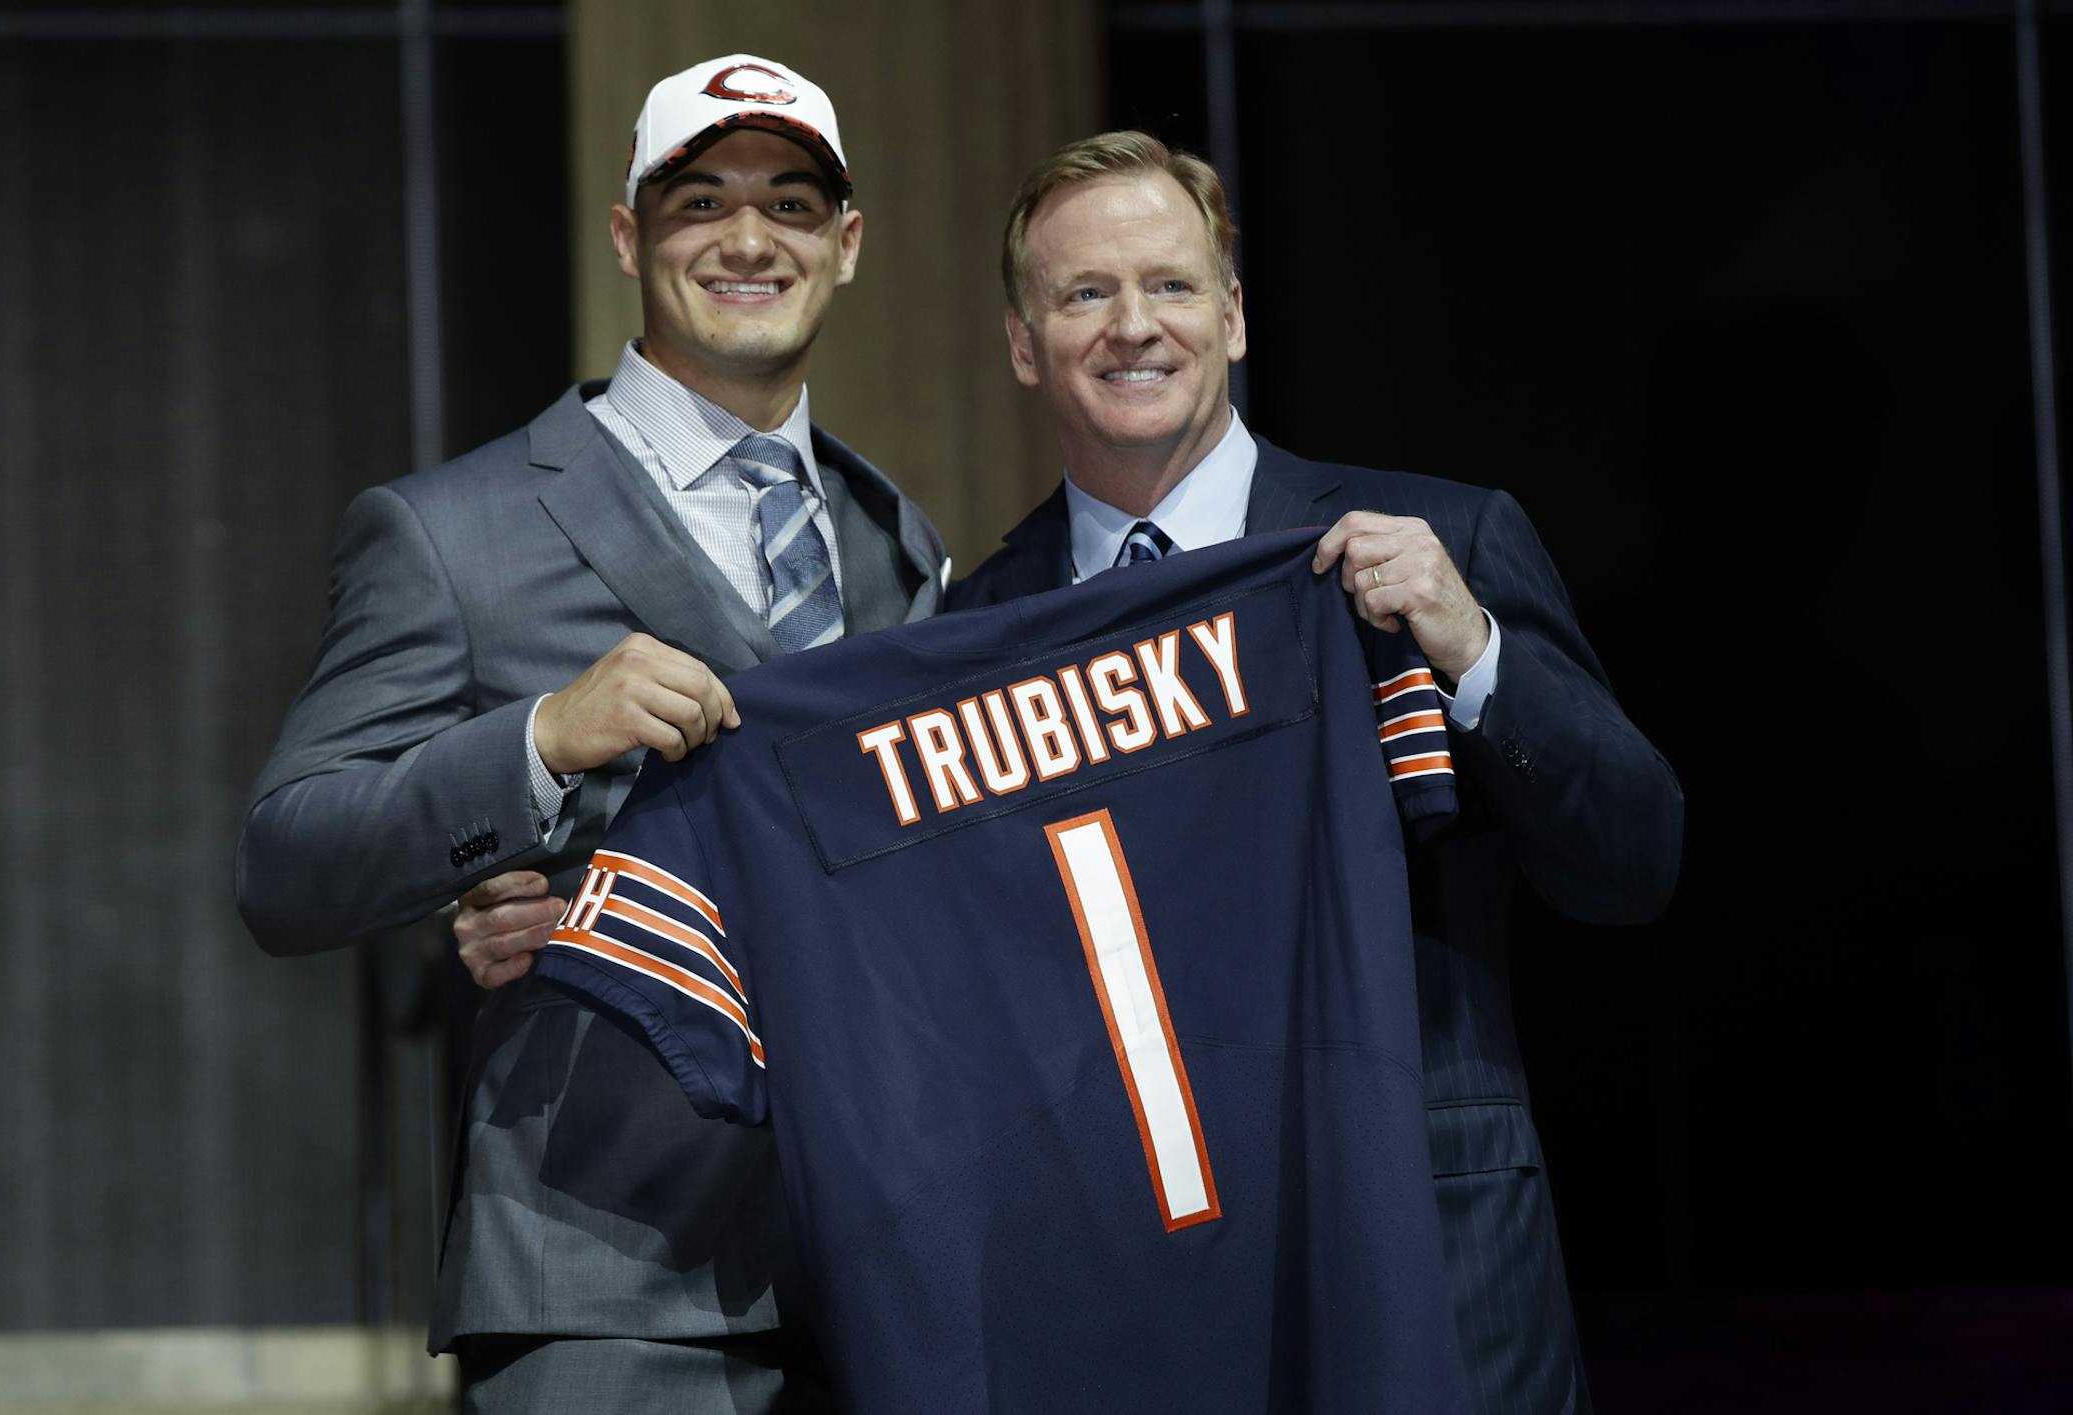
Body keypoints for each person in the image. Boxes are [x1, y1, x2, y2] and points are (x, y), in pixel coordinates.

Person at [236, 53, 944, 1413]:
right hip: (603, 1283)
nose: (749, 237)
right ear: (627, 234)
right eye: (698, 202)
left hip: (878, 1271)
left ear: (846, 247)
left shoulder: (893, 539)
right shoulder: (452, 530)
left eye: (793, 204)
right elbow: (285, 860)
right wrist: (537, 743)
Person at [944, 131, 1682, 1414]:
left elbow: (1636, 857)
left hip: (1435, 1263)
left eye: (1171, 285)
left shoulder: (1442, 540)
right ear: (1023, 344)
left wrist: (1472, 647)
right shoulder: (970, 630)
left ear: (1232, 317)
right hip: (1136, 1296)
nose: (1134, 327)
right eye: (1084, 294)